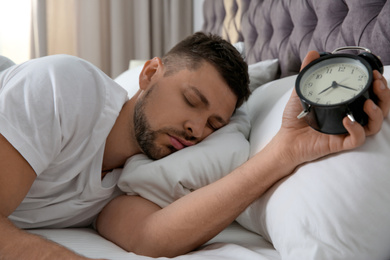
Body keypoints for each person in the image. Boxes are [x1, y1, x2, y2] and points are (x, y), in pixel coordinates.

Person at [0, 32, 389, 260]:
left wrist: (286, 151)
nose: (195, 130)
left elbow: (151, 236)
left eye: (213, 124)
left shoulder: (137, 173)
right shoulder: (64, 87)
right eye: (191, 100)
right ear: (150, 73)